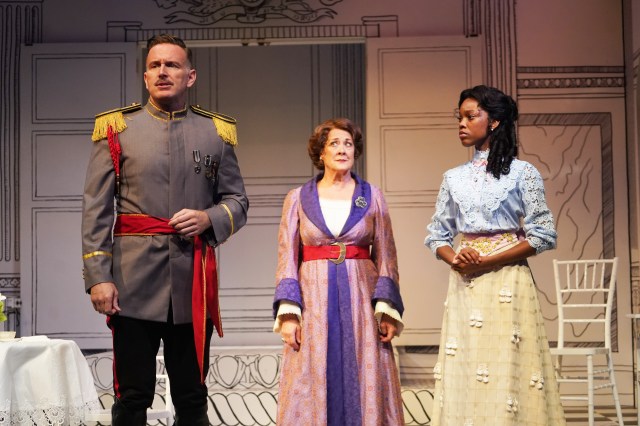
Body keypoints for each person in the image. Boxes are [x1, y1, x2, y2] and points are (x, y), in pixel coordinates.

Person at [81, 34, 249, 426]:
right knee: (132, 395)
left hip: (192, 284)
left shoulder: (216, 133)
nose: (163, 72)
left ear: (190, 76)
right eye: (155, 65)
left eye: (172, 65)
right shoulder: (116, 129)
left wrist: (210, 218)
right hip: (131, 283)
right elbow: (96, 210)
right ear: (145, 76)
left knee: (191, 396)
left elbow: (238, 203)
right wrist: (97, 278)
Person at [424, 85, 565, 425]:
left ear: (495, 122)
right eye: (459, 117)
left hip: (508, 281)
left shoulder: (523, 173)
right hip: (466, 285)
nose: (462, 123)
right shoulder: (453, 178)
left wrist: (489, 261)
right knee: (468, 365)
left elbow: (543, 234)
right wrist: (453, 258)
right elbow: (436, 235)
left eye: (471, 116)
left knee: (507, 364)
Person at [272, 118, 405, 425]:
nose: (342, 149)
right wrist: (290, 314)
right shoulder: (298, 198)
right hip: (314, 298)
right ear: (320, 152)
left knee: (365, 368)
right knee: (312, 372)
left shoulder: (371, 196)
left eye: (348, 143)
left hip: (360, 296)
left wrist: (386, 310)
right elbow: (287, 256)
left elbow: (387, 253)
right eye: (334, 143)